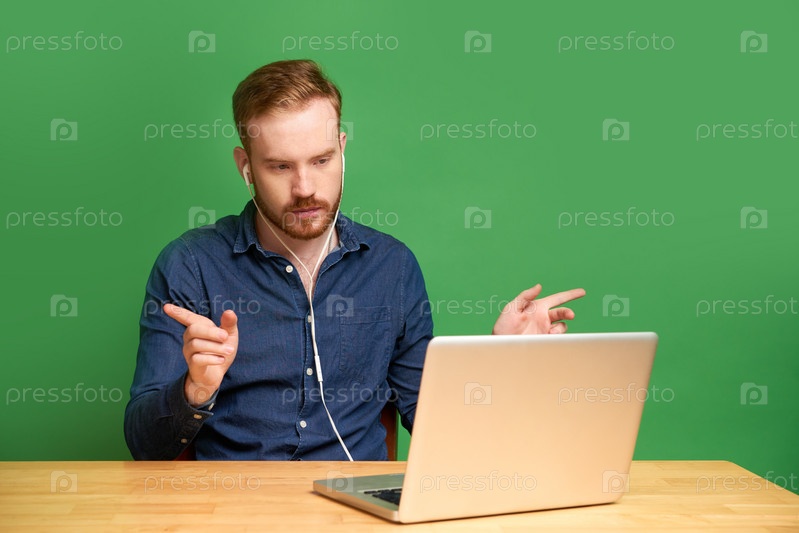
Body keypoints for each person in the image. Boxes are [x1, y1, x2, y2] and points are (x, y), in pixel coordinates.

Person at [124, 59, 586, 460]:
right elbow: (144, 446)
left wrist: (502, 363)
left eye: (321, 160)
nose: (305, 188)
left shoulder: (392, 268)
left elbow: (441, 428)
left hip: (358, 508)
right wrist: (195, 391)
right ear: (245, 167)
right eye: (280, 166)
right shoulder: (190, 265)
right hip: (235, 507)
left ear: (342, 149)